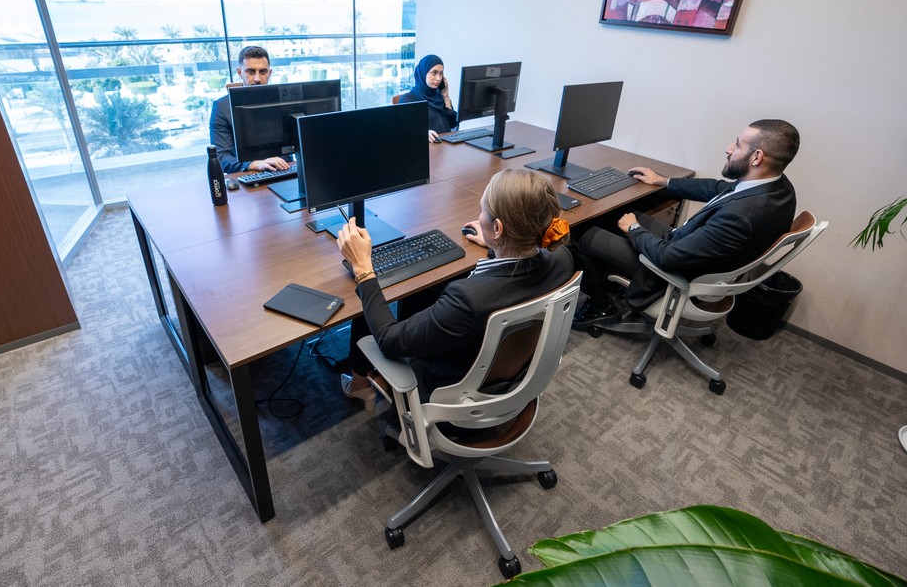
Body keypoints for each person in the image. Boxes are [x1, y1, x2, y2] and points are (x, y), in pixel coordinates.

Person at [336, 168, 575, 407]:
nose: (480, 216)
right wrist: (497, 246)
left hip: (450, 392)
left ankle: (361, 386)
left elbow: (389, 340)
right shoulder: (562, 259)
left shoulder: (468, 299)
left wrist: (363, 269)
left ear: (498, 228)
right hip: (509, 372)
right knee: (425, 290)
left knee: (371, 301)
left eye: (483, 211)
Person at [571, 119, 801, 329]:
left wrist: (634, 229)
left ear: (757, 157)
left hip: (669, 274)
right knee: (620, 214)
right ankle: (609, 280)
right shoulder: (778, 188)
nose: (729, 148)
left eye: (739, 145)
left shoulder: (740, 217)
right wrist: (663, 180)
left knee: (584, 235)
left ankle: (601, 307)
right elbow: (718, 189)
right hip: (694, 249)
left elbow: (667, 257)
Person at [209, 45, 291, 174]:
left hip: (285, 169)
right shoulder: (222, 107)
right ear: (240, 72)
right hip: (247, 173)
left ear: (270, 73)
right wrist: (253, 164)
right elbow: (221, 155)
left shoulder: (285, 102)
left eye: (263, 71)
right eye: (251, 72)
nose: (257, 78)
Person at [398, 54, 458, 143]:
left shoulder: (439, 96)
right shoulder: (408, 99)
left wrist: (446, 96)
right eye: (434, 73)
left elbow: (453, 124)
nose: (438, 78)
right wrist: (422, 133)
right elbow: (404, 132)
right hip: (425, 148)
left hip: (445, 146)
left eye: (441, 74)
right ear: (423, 73)